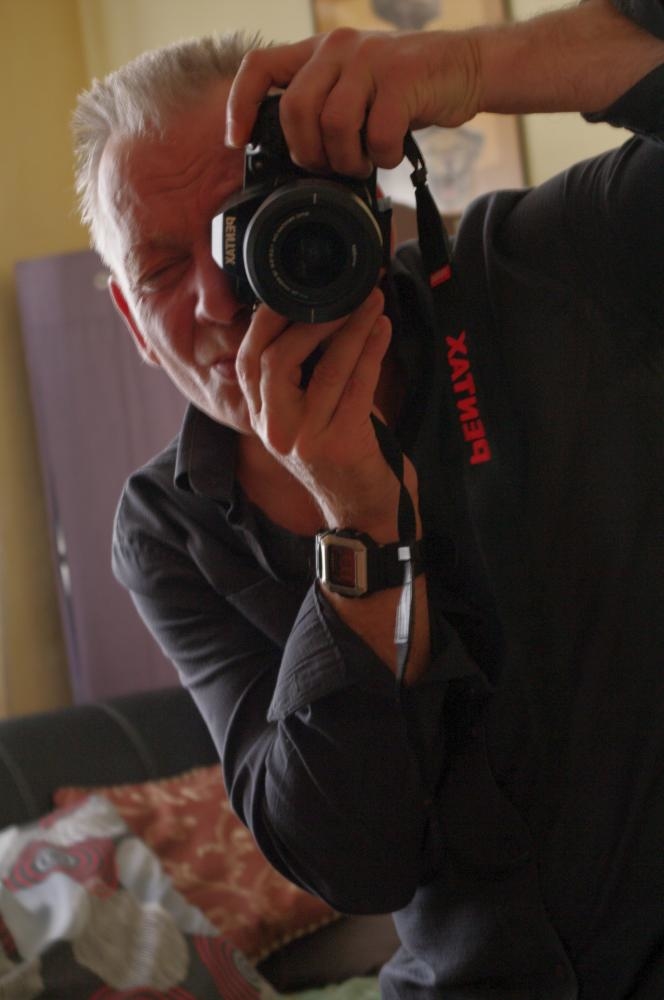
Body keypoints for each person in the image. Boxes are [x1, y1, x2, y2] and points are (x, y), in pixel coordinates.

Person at [72, 1, 664, 996]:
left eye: (243, 228)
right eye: (163, 270)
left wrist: (472, 66)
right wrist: (359, 527)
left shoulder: (539, 270)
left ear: (353, 203)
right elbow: (351, 860)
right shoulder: (172, 524)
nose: (217, 301)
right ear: (132, 319)